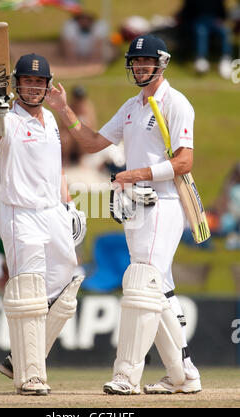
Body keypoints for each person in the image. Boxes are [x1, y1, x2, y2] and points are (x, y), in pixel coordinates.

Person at [46, 34, 201, 395]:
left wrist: (137, 174)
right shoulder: (133, 106)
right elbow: (92, 142)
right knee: (157, 289)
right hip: (136, 207)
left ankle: (126, 376)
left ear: (161, 64)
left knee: (139, 282)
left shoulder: (176, 103)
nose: (140, 67)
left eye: (147, 61)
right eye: (135, 61)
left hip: (163, 203)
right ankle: (184, 375)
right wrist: (64, 110)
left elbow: (184, 161)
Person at [0, 53, 85, 395]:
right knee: (30, 291)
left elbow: (56, 169)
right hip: (20, 212)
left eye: (39, 82)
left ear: (47, 85)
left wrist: (69, 206)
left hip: (53, 210)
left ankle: (20, 358)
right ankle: (30, 376)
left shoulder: (52, 121)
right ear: (17, 84)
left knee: (68, 288)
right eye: (27, 81)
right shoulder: (8, 118)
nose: (33, 87)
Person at [178, 0, 233, 78]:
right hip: (198, 20)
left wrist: (221, 19)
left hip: (214, 21)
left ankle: (226, 59)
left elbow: (222, 11)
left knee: (225, 31)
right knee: (201, 32)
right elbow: (187, 11)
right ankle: (201, 58)